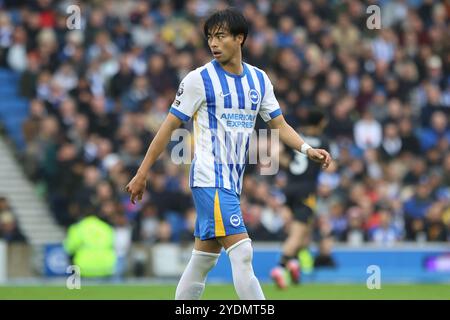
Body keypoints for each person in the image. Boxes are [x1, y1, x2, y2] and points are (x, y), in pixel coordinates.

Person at [125, 8, 331, 300]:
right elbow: (168, 127)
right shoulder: (198, 80)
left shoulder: (259, 80)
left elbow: (279, 125)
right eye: (210, 36)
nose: (213, 43)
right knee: (243, 252)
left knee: (204, 259)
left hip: (232, 182)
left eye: (220, 36)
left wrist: (307, 149)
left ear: (240, 38)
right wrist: (142, 172)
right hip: (210, 176)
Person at [271, 109, 330, 289]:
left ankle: (293, 264)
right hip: (306, 191)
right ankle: (280, 268)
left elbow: (277, 155)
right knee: (298, 233)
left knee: (304, 232)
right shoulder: (322, 141)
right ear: (320, 123)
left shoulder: (296, 137)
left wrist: (292, 167)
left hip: (290, 188)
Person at [63, 211, 117, 278]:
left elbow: (69, 248)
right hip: (106, 268)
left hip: (84, 269)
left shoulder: (78, 227)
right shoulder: (106, 227)